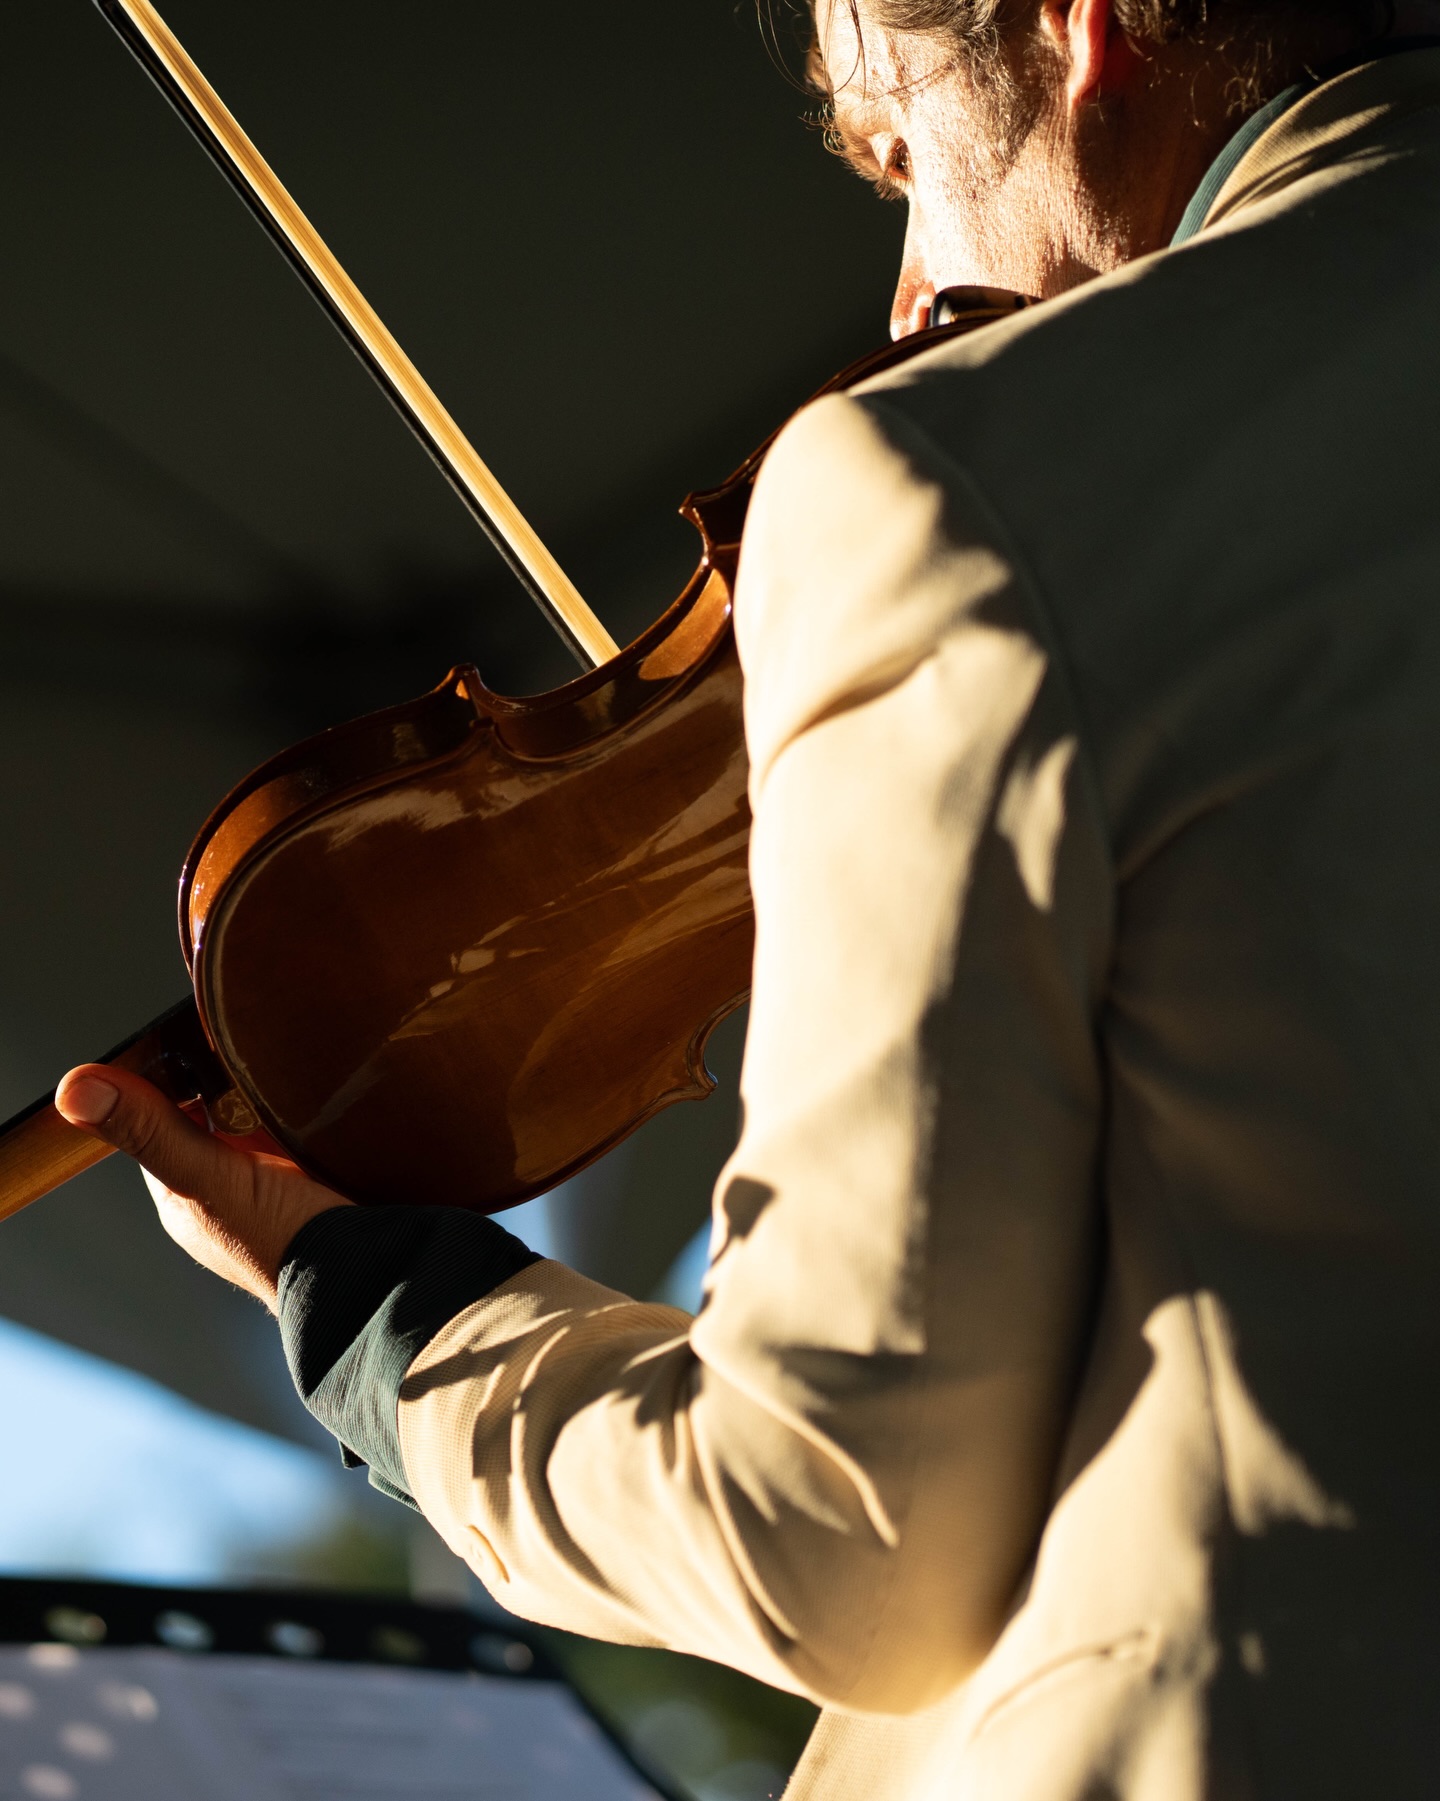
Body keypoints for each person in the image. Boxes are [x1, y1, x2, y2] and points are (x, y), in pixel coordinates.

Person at [54, 0, 1440, 1792]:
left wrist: (386, 1318)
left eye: (901, 160)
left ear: (1083, 30)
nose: (903, 297)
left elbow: (834, 1530)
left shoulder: (955, 473)